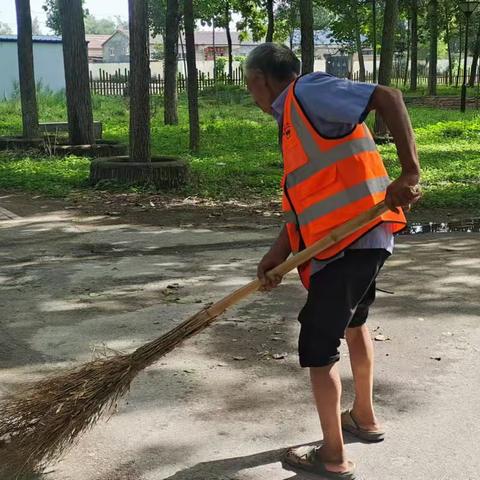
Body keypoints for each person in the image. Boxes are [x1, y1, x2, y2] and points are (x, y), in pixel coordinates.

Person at [245, 43, 421, 479]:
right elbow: (307, 201)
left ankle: (333, 456)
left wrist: (410, 172)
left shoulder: (308, 92)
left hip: (350, 242)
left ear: (262, 80)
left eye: (249, 85)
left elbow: (389, 96)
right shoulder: (293, 121)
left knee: (318, 347)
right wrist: (277, 254)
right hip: (358, 242)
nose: (251, 95)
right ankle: (363, 416)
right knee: (354, 322)